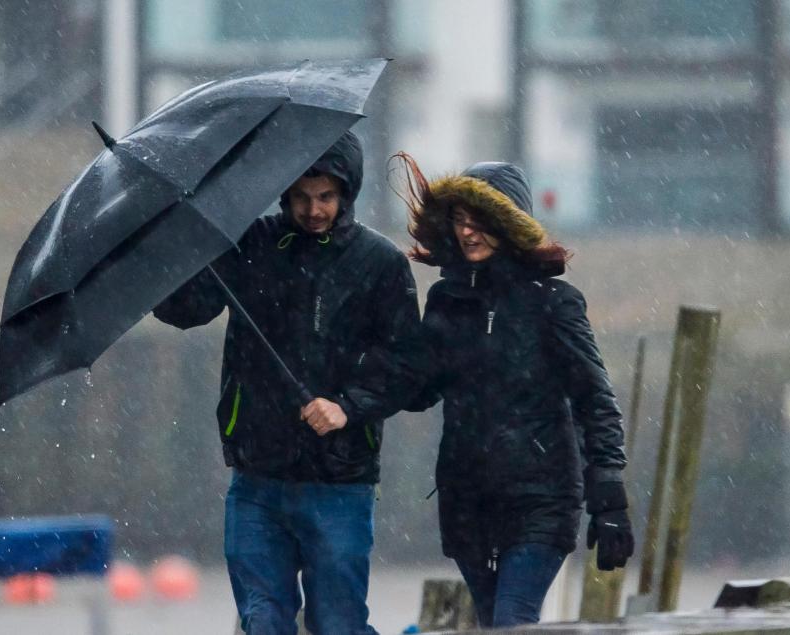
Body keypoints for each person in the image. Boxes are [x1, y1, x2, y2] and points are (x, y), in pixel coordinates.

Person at [153, 132, 421, 635]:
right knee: (263, 620)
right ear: (284, 194)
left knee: (337, 623)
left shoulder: (380, 263)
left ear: (346, 193)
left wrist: (347, 406)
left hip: (340, 480)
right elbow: (183, 310)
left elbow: (408, 364)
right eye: (301, 196)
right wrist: (175, 246)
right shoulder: (250, 245)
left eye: (325, 197)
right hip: (257, 475)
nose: (313, 209)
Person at [395, 154, 634, 628]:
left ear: (510, 222)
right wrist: (391, 338)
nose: (467, 232)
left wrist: (608, 493)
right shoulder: (446, 301)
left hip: (540, 499)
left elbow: (594, 398)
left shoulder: (553, 302)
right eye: (460, 221)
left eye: (480, 220)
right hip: (467, 502)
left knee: (512, 621)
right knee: (492, 622)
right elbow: (419, 392)